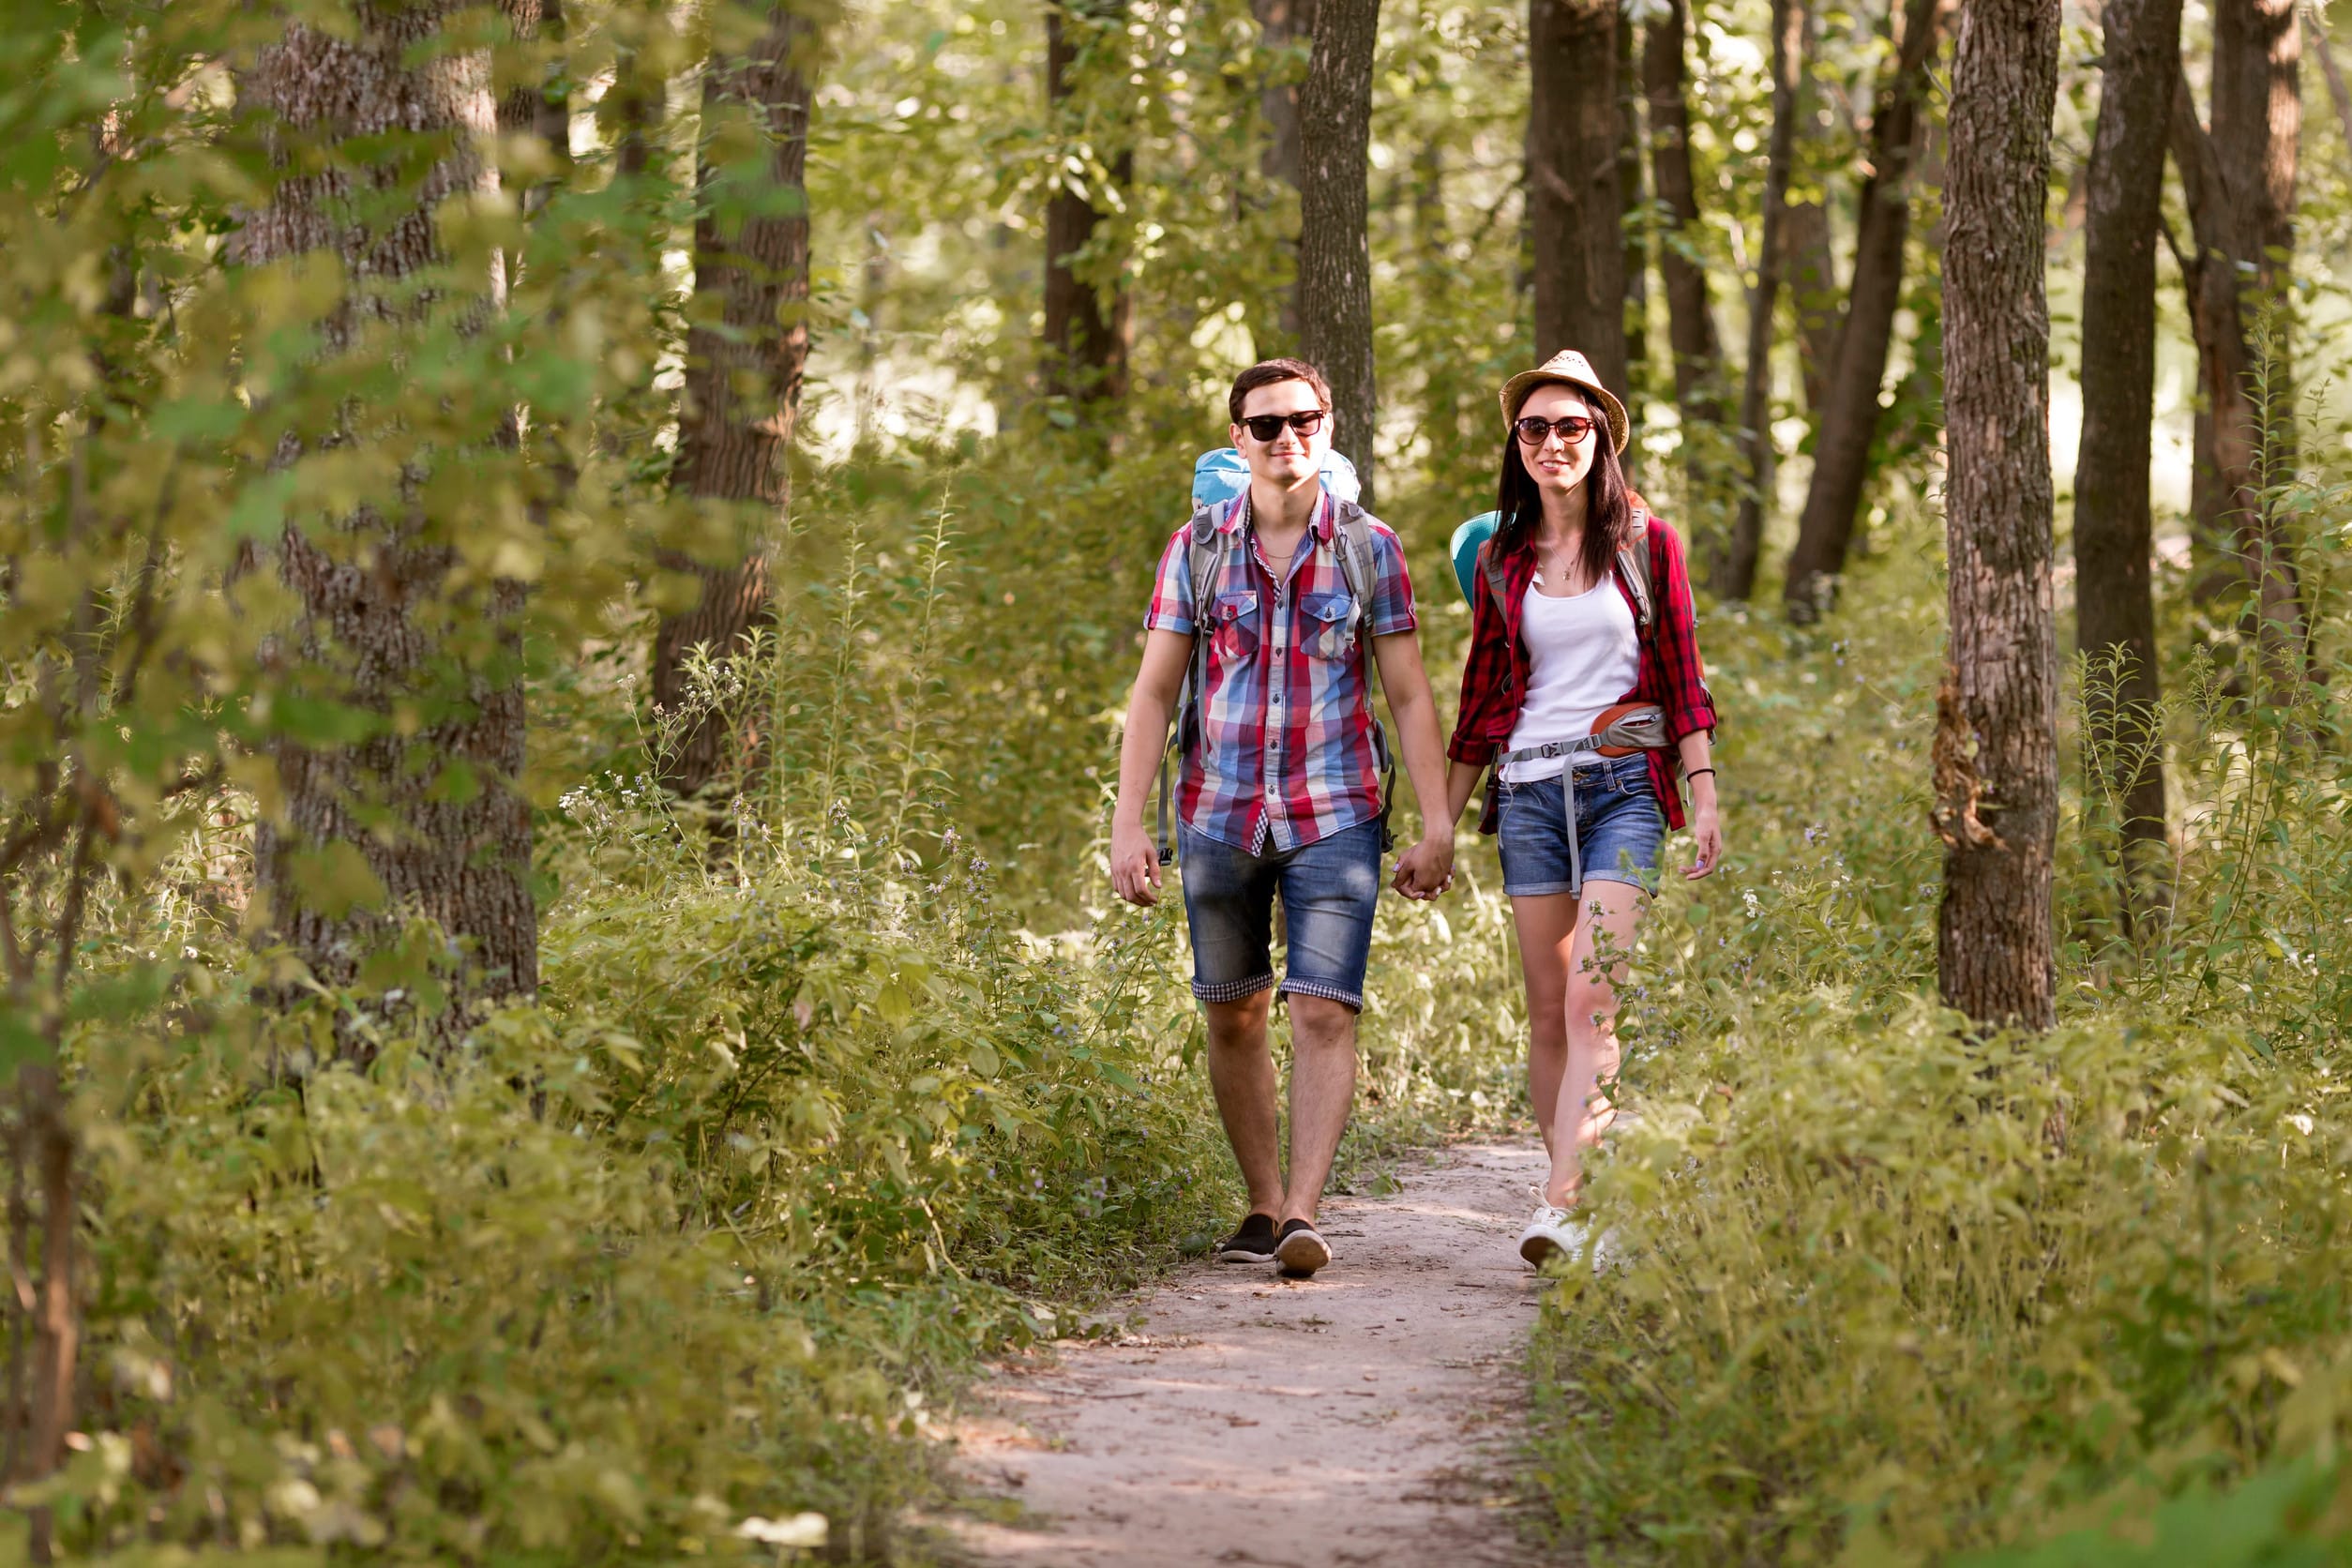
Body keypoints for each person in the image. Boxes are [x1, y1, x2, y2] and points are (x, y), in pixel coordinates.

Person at [1108, 358, 1456, 1278]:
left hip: (1334, 809)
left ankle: (1304, 1209)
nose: (1286, 437)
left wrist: (1438, 822)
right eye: (1266, 425)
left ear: (1328, 427)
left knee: (1323, 1009)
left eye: (1303, 419)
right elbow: (1153, 693)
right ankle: (1262, 1203)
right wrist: (1127, 822)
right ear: (1239, 439)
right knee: (1234, 1015)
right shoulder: (1197, 547)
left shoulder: (1369, 547)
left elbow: (1411, 694)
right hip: (1218, 811)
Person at [1436, 350, 1723, 1266]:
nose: (1553, 442)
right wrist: (1441, 822)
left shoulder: (1647, 543)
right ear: (1515, 444)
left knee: (1596, 997)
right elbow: (1482, 695)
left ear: (1602, 439)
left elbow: (1682, 673)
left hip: (1623, 790)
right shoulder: (1502, 559)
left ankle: (1559, 1204)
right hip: (1525, 794)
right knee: (1552, 1006)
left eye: (1572, 427)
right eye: (1535, 428)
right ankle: (1583, 1199)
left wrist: (1703, 795)